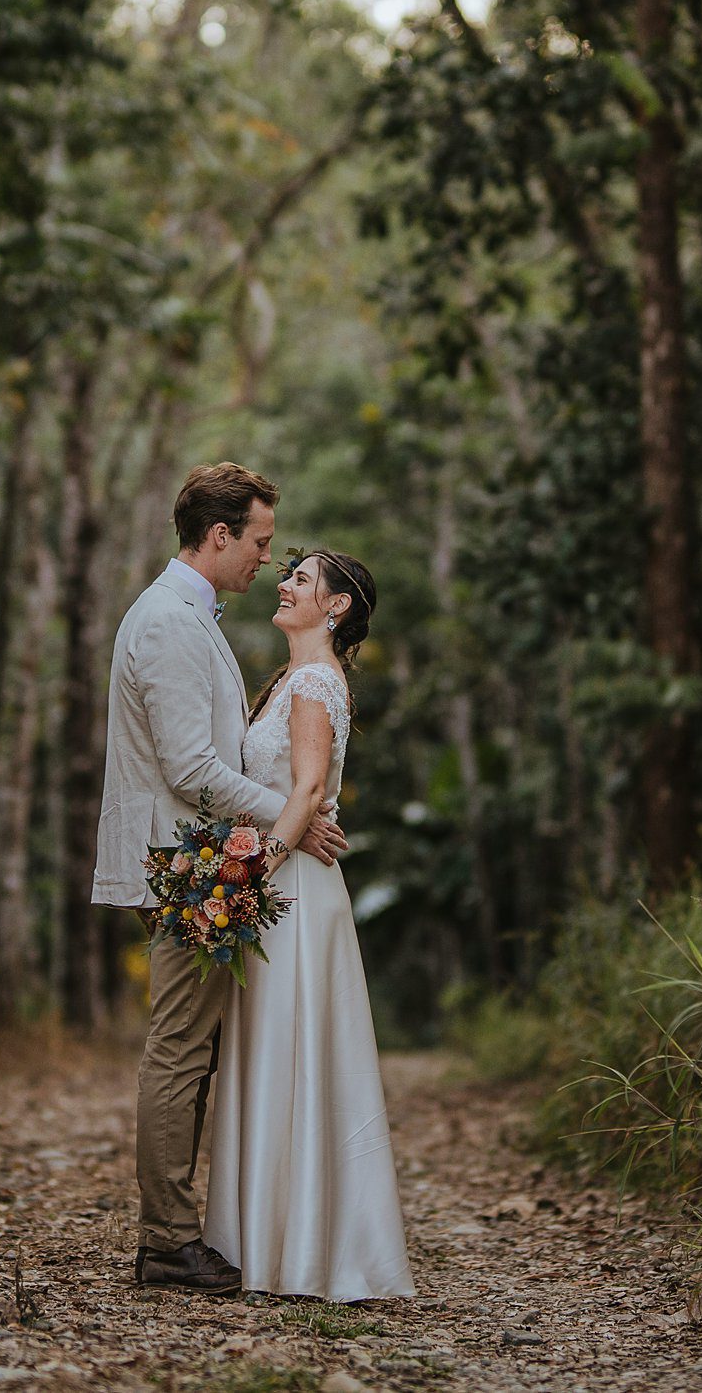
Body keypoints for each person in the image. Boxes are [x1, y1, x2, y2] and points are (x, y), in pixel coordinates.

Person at [93, 463, 348, 1292]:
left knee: (193, 1049)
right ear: (219, 535)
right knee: (178, 1050)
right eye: (261, 543)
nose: (267, 562)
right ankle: (167, 1241)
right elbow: (192, 766)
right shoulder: (168, 620)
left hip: (198, 860)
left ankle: (181, 1231)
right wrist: (293, 813)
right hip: (180, 865)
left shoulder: (191, 615)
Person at [203, 547, 416, 1302]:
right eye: (286, 571)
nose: (285, 582)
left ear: (337, 607)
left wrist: (248, 875)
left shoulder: (317, 681)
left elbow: (310, 785)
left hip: (289, 890)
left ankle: (297, 1248)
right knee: (272, 1052)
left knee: (290, 1049)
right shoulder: (290, 681)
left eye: (302, 577)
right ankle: (264, 1237)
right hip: (284, 881)